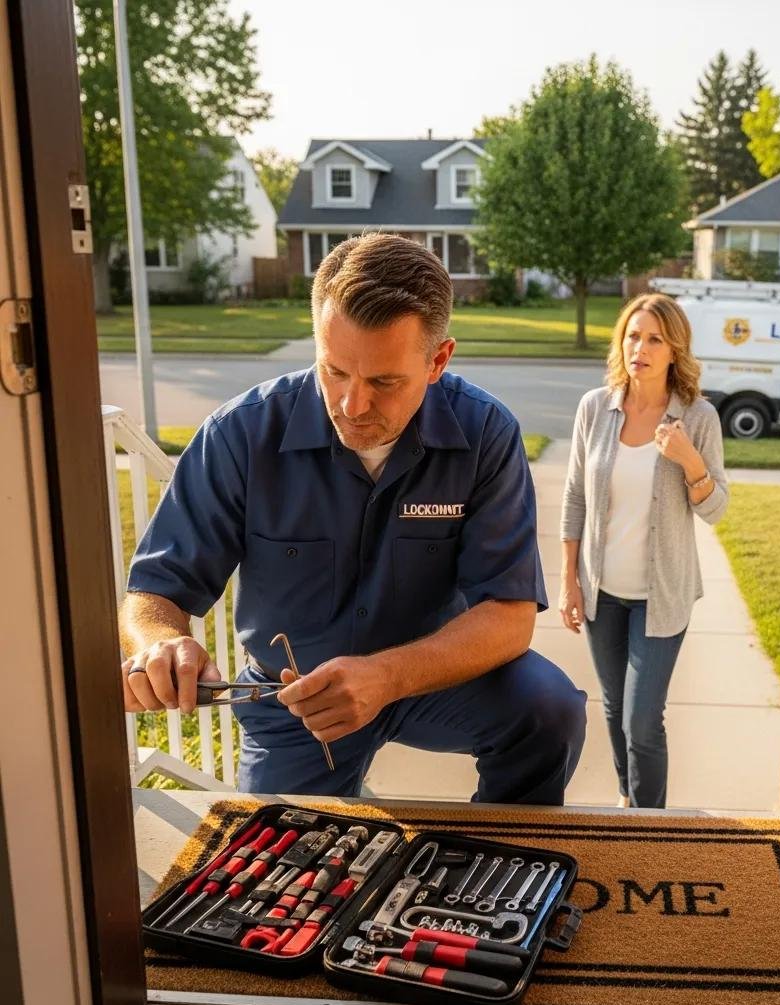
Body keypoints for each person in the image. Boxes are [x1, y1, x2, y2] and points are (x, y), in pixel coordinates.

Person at [120, 233, 586, 803]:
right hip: (294, 700)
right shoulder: (241, 432)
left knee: (549, 710)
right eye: (334, 371)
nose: (351, 405)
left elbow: (509, 616)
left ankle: (505, 866)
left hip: (431, 677)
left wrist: (386, 677)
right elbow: (155, 590)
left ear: (438, 360)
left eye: (384, 382)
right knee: (277, 871)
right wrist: (162, 641)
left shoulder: (486, 431)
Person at [559, 292, 728, 809]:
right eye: (633, 336)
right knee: (613, 707)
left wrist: (689, 460)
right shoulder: (596, 407)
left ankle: (652, 825)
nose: (642, 348)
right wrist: (569, 579)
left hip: (662, 597)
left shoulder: (697, 417)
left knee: (642, 719)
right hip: (601, 592)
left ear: (674, 349)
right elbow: (575, 496)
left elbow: (715, 507)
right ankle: (627, 798)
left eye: (655, 338)